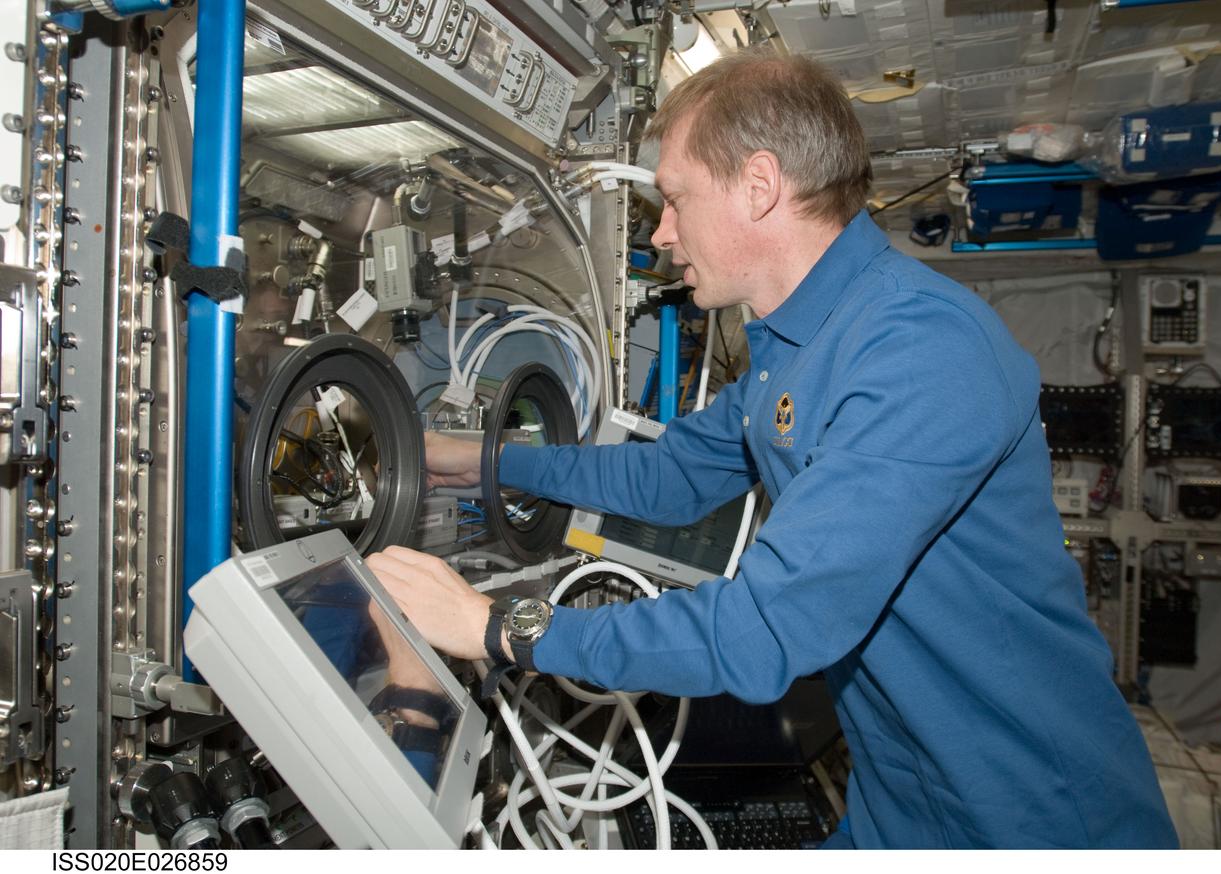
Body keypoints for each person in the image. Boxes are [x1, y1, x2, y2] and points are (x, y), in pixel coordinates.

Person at [367, 50, 1178, 848]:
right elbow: (668, 477)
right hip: (903, 803)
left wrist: (502, 627)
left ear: (759, 187)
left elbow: (765, 629)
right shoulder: (796, 347)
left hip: (1036, 820)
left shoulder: (923, 349)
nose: (663, 232)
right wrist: (481, 461)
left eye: (677, 199)